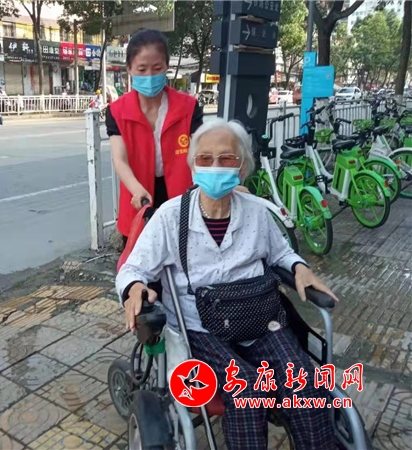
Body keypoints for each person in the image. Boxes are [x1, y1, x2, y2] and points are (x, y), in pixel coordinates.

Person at [116, 118, 340, 450]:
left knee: (302, 379)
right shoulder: (170, 216)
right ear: (193, 165)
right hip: (200, 328)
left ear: (242, 166)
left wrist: (299, 267)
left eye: (226, 158)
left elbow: (281, 252)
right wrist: (135, 287)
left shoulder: (257, 212)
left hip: (260, 319)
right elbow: (133, 268)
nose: (215, 166)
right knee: (246, 387)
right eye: (205, 158)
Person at [106, 29, 206, 249]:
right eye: (142, 69)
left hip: (181, 198)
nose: (150, 76)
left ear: (167, 66)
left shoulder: (188, 107)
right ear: (129, 69)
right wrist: (137, 190)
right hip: (139, 197)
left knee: (183, 258)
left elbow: (203, 151)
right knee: (140, 260)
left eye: (157, 68)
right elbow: (119, 160)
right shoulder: (117, 111)